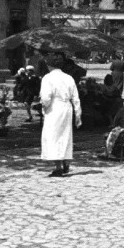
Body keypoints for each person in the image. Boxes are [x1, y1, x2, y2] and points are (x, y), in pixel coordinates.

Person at [38, 47, 82, 177]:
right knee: (65, 135)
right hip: (67, 108)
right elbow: (76, 98)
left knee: (54, 136)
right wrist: (78, 115)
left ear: (48, 64)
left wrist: (43, 106)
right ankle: (66, 162)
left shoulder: (48, 78)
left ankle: (58, 166)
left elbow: (46, 97)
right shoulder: (68, 78)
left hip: (54, 108)